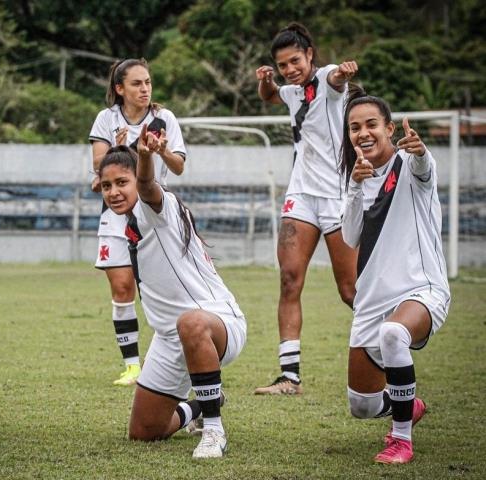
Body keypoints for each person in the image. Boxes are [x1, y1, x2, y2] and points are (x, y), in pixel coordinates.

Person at [97, 125, 246, 458]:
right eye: (106, 185)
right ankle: (203, 403)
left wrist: (146, 156)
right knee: (144, 432)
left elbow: (149, 185)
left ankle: (213, 430)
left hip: (216, 324)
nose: (114, 192)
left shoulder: (155, 207)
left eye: (122, 182)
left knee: (190, 323)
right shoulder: (126, 221)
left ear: (137, 179)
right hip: (169, 338)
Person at [340, 87, 451, 464]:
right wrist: (355, 185)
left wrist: (419, 151)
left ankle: (401, 440)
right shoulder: (356, 176)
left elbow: (424, 170)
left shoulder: (411, 161)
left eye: (372, 124)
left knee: (393, 333)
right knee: (362, 406)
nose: (363, 133)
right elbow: (350, 236)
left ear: (389, 129)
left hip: (421, 290)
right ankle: (410, 404)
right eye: (354, 127)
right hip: (371, 301)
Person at [253, 22, 359, 395]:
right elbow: (270, 96)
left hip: (337, 197)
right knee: (289, 279)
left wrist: (343, 73)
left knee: (350, 291)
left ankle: (392, 341)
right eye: (282, 65)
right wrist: (266, 80)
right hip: (301, 196)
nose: (289, 69)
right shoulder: (291, 91)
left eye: (294, 60)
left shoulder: (328, 79)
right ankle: (289, 377)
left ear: (310, 54)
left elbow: (336, 82)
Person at [89, 58, 187, 386]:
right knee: (121, 287)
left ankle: (172, 360)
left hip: (155, 216)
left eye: (147, 83)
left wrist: (159, 151)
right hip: (116, 215)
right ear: (120, 89)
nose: (144, 89)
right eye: (136, 84)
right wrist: (120, 147)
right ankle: (132, 366)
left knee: (162, 289)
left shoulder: (164, 119)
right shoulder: (106, 118)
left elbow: (178, 167)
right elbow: (98, 169)